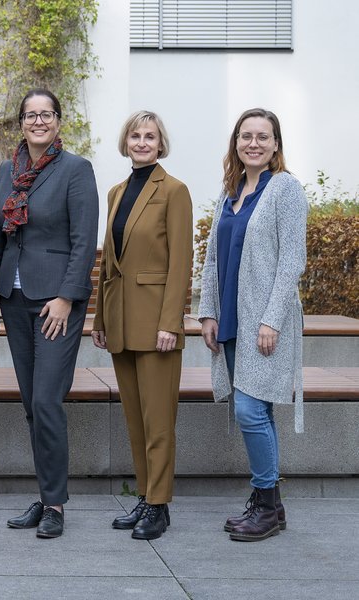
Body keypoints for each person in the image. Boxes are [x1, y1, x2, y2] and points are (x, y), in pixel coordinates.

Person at [0, 88, 99, 539]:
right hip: (14, 300)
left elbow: (83, 239)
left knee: (47, 401)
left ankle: (55, 504)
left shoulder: (76, 170)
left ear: (58, 120)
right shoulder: (5, 171)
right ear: (21, 123)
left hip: (56, 304)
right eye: (30, 115)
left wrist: (68, 297)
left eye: (46, 114)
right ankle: (45, 492)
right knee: (32, 404)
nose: (38, 121)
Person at [198, 108, 307, 542]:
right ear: (236, 143)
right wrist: (207, 311)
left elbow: (291, 261)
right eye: (246, 136)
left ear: (276, 144)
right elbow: (210, 259)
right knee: (256, 408)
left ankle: (264, 502)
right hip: (230, 320)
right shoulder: (230, 193)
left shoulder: (286, 189)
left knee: (249, 410)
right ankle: (271, 508)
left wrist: (271, 320)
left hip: (264, 323)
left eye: (264, 137)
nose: (254, 144)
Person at [92, 111, 193, 540]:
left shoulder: (174, 191)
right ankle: (145, 496)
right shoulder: (117, 191)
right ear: (126, 141)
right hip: (120, 320)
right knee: (135, 418)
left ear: (160, 143)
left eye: (149, 136)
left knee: (158, 420)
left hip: (156, 325)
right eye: (135, 135)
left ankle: (160, 504)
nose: (142, 142)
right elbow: (109, 263)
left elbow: (180, 264)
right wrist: (99, 317)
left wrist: (170, 322)